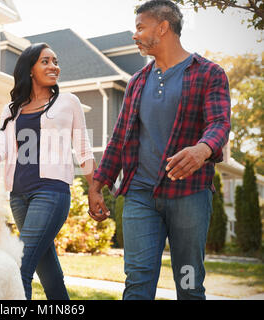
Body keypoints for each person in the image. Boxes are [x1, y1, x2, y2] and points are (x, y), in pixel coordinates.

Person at [88, 0, 231, 300]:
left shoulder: (208, 73)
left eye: (140, 27)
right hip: (140, 195)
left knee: (189, 284)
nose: (135, 35)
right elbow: (119, 138)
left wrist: (202, 150)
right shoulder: (137, 82)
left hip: (189, 194)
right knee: (137, 283)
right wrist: (97, 184)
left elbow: (219, 123)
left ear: (163, 27)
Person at [0, 43, 97, 300]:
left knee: (19, 267)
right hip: (19, 196)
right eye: (45, 61)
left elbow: (83, 149)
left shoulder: (68, 102)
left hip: (51, 192)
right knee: (47, 271)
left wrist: (94, 189)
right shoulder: (11, 109)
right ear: (30, 69)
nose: (54, 66)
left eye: (55, 61)